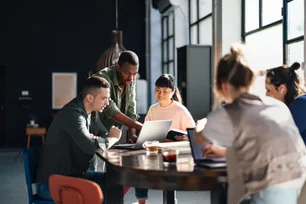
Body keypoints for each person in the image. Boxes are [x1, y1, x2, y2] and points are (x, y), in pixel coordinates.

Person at [194, 44, 306, 204]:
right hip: (299, 191)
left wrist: (202, 123)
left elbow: (198, 139)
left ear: (223, 85)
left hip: (270, 194)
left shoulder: (229, 111)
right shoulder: (277, 106)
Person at [35, 76, 122, 200]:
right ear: (90, 98)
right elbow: (91, 146)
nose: (107, 103)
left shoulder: (92, 113)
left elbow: (103, 135)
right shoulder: (73, 114)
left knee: (114, 184)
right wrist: (113, 139)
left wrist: (99, 139)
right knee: (96, 193)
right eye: (104, 98)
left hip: (74, 177)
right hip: (52, 184)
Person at [135, 74, 195, 204]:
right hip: (155, 152)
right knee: (138, 167)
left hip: (174, 155)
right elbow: (146, 134)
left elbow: (194, 135)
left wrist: (182, 139)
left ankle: (170, 200)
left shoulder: (180, 110)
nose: (160, 94)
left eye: (165, 91)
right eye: (157, 90)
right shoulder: (152, 109)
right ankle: (141, 201)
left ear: (173, 92)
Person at [94, 50, 143, 144]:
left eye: (135, 73)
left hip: (114, 137)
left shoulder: (131, 79)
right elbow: (112, 111)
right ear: (118, 67)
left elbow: (131, 109)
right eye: (128, 73)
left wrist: (132, 134)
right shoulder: (102, 78)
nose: (131, 78)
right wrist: (142, 127)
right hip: (95, 134)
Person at [265, 62, 306, 144]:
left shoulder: (300, 105)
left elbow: (280, 141)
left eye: (269, 90)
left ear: (281, 89)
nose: (266, 95)